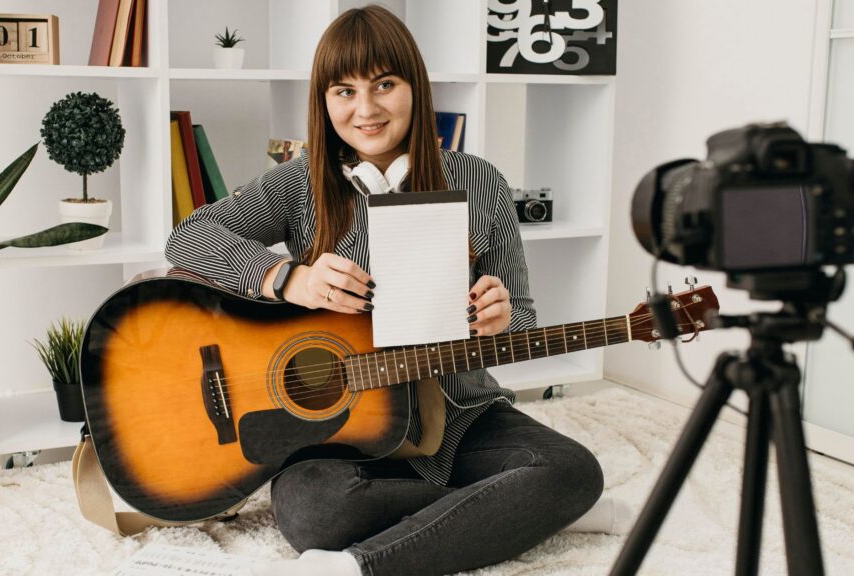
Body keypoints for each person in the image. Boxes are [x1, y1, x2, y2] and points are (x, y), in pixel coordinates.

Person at [165, 6, 618, 575]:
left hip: (460, 409)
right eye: (344, 91)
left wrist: (504, 317)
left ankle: (362, 564)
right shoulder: (301, 183)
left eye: (385, 84)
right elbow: (190, 237)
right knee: (311, 514)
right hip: (340, 428)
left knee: (573, 472)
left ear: (415, 87)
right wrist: (289, 278)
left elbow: (522, 316)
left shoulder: (481, 181)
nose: (366, 109)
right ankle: (513, 512)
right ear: (323, 101)